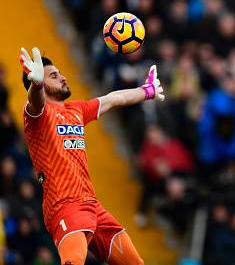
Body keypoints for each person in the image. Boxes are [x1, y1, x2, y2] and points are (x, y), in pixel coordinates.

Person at [19, 47, 164, 265]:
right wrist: (37, 85)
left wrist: (147, 91)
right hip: (64, 206)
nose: (63, 77)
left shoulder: (76, 110)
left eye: (60, 73)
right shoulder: (37, 116)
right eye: (54, 76)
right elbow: (36, 102)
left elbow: (112, 99)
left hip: (92, 206)